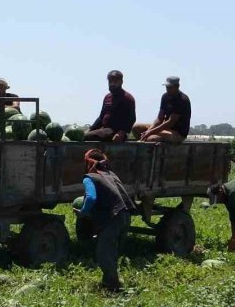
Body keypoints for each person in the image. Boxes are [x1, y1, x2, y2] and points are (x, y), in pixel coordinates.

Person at [75, 149, 137, 292]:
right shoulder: (111, 174)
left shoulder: (89, 177)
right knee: (112, 252)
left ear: (87, 162)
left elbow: (91, 198)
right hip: (125, 215)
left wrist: (82, 213)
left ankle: (113, 288)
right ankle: (109, 282)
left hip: (113, 218)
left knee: (104, 254)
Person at [133, 76, 191, 144]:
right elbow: (159, 118)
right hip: (165, 129)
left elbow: (170, 123)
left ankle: (146, 145)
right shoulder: (165, 97)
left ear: (177, 86)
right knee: (136, 128)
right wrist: (148, 131)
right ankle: (142, 142)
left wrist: (150, 132)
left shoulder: (182, 100)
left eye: (170, 87)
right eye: (166, 87)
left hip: (177, 134)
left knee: (150, 139)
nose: (167, 89)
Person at [84, 70, 136, 142]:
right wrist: (90, 129)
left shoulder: (127, 98)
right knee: (83, 135)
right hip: (104, 130)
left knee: (85, 137)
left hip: (115, 132)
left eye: (115, 82)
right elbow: (101, 117)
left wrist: (121, 133)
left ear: (121, 82)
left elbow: (131, 119)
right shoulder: (107, 97)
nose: (112, 84)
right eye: (110, 82)